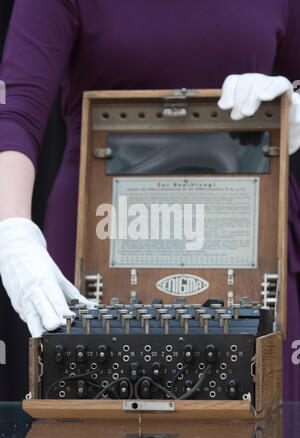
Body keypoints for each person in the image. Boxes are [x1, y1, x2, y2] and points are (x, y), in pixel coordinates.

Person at [0, 0, 300, 399]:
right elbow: (14, 109)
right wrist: (12, 231)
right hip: (101, 231)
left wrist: (293, 108)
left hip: (253, 243)